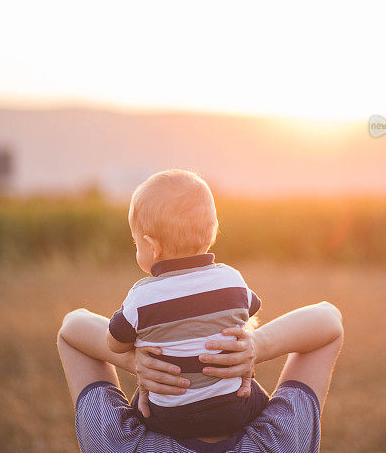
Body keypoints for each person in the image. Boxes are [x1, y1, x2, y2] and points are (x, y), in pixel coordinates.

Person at [57, 299, 343, 453]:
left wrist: (140, 361)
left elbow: (72, 328)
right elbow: (328, 321)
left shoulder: (120, 450)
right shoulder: (278, 449)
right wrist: (256, 345)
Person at [106, 168, 268, 438]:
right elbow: (251, 307)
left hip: (167, 416)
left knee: (140, 403)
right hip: (232, 410)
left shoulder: (141, 296)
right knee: (263, 401)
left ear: (152, 246)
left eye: (136, 243)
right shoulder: (232, 280)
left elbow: (114, 343)